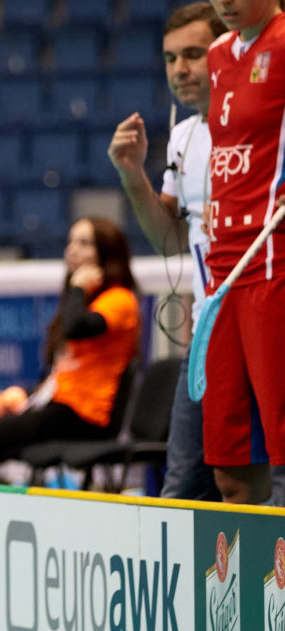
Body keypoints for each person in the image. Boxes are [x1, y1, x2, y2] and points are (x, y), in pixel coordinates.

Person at [108, 3, 225, 502]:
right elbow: (171, 240)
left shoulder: (266, 128)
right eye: (171, 58)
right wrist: (132, 175)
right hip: (206, 336)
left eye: (194, 55)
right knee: (182, 485)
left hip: (263, 325)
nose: (180, 69)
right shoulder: (183, 135)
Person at [0, 218, 141, 481]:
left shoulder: (120, 300)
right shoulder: (86, 299)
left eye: (84, 243)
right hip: (56, 409)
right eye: (71, 241)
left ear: (107, 253)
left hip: (84, 417)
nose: (72, 249)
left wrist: (77, 287)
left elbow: (77, 326)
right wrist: (28, 397)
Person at [202, 0, 285, 506]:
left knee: (281, 441)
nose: (225, 1)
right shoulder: (216, 54)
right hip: (221, 262)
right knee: (229, 460)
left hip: (272, 252)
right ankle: (245, 583)